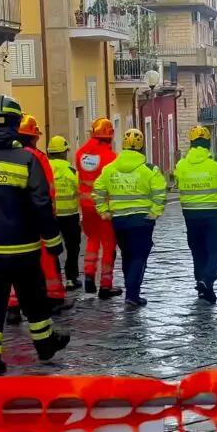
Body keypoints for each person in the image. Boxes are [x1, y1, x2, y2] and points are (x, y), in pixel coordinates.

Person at [0, 95, 69, 376]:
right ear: (16, 123)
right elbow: (41, 203)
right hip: (23, 248)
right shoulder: (26, 160)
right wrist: (54, 241)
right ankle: (45, 344)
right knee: (34, 300)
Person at [93, 129, 166, 308]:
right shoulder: (149, 169)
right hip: (142, 220)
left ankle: (130, 290)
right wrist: (155, 211)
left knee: (127, 255)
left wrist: (104, 210)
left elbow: (98, 191)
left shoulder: (109, 169)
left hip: (119, 221)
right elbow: (159, 192)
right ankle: (132, 294)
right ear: (141, 148)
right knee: (139, 257)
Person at [173, 124, 217, 304]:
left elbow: (176, 178)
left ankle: (203, 290)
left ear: (191, 143)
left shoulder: (181, 164)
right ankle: (206, 280)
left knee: (198, 251)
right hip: (214, 214)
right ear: (208, 143)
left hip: (190, 215)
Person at [16, 114, 67, 311]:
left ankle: (13, 305)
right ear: (33, 137)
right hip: (37, 217)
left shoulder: (9, 156)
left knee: (15, 263)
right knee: (47, 258)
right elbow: (48, 190)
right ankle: (54, 296)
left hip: (12, 219)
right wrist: (50, 217)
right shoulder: (38, 157)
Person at [75, 117, 119, 298]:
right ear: (109, 136)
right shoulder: (111, 158)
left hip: (86, 205)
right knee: (108, 244)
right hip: (104, 207)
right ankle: (106, 284)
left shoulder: (80, 154)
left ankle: (89, 275)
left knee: (92, 240)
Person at [47, 135, 82, 289]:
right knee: (73, 248)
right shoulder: (71, 171)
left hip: (50, 215)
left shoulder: (43, 168)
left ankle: (55, 279)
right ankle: (71, 278)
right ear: (63, 153)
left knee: (51, 250)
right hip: (70, 215)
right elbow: (80, 191)